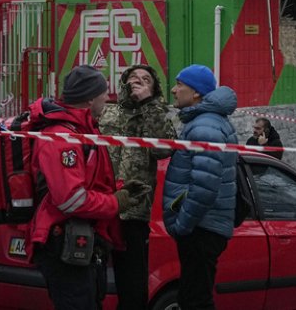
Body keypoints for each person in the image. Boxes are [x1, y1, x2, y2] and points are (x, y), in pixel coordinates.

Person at [26, 65, 145, 310]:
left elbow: (91, 180)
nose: (107, 97)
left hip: (80, 242)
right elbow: (70, 199)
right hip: (63, 244)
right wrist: (115, 202)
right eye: (103, 92)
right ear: (90, 98)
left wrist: (119, 190)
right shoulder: (63, 138)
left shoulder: (84, 130)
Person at [99, 65, 176, 310]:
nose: (138, 82)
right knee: (92, 278)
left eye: (146, 80)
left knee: (133, 286)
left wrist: (149, 104)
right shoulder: (108, 112)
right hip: (100, 205)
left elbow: (163, 149)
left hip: (133, 212)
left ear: (153, 89)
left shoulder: (157, 114)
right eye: (133, 78)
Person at [162, 65, 238, 310]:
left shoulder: (205, 126)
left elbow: (205, 185)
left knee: (196, 301)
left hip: (201, 227)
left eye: (179, 85)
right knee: (192, 298)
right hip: (204, 225)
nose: (174, 90)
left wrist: (182, 224)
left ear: (196, 93)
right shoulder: (205, 122)